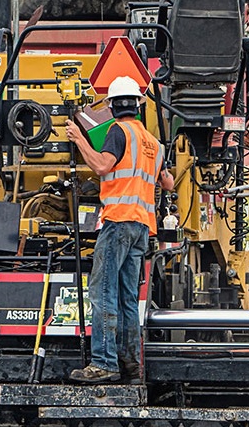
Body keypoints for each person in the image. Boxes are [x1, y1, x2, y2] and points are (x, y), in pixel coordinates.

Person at [64, 76, 173, 385]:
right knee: (127, 298)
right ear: (137, 106)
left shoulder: (117, 132)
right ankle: (129, 364)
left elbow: (101, 166)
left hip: (118, 223)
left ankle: (103, 363)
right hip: (141, 226)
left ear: (111, 106)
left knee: (103, 293)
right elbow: (168, 182)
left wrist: (79, 139)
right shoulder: (153, 142)